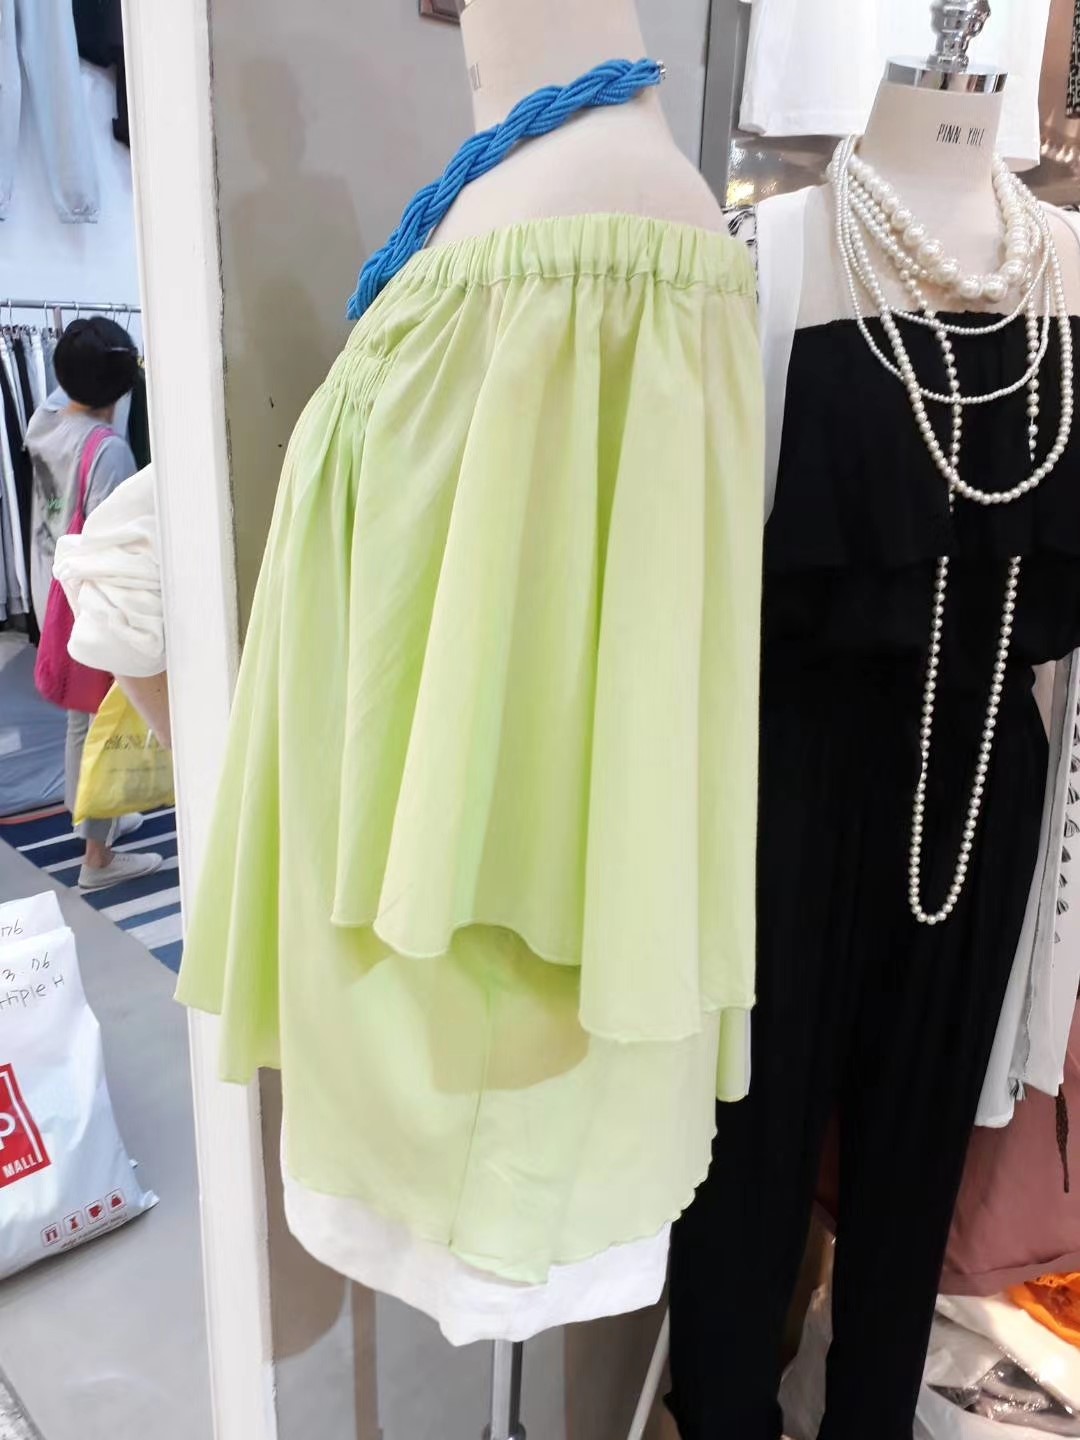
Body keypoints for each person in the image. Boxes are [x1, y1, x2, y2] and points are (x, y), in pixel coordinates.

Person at [25, 317, 162, 890]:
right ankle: (96, 858)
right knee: (102, 717)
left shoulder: (44, 423)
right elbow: (115, 544)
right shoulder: (107, 450)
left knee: (80, 716)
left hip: (50, 584)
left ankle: (93, 813)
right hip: (89, 598)